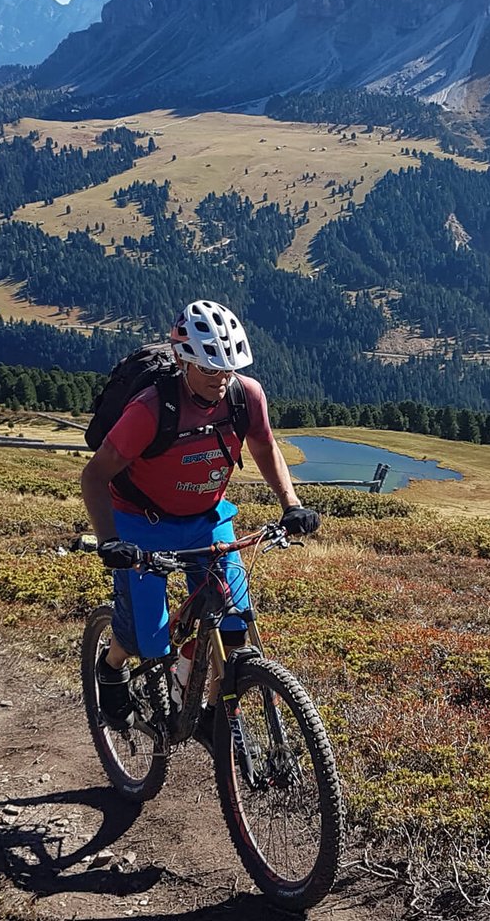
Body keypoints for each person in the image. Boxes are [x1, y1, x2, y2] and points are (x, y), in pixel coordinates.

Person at [82, 300, 320, 730]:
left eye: (229, 368)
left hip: (207, 518)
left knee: (232, 627)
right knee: (145, 639)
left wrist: (292, 504)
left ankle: (210, 716)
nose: (222, 379)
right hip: (142, 522)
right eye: (210, 369)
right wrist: (109, 541)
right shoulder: (151, 409)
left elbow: (264, 446)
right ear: (182, 359)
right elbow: (95, 475)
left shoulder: (245, 396)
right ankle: (111, 665)